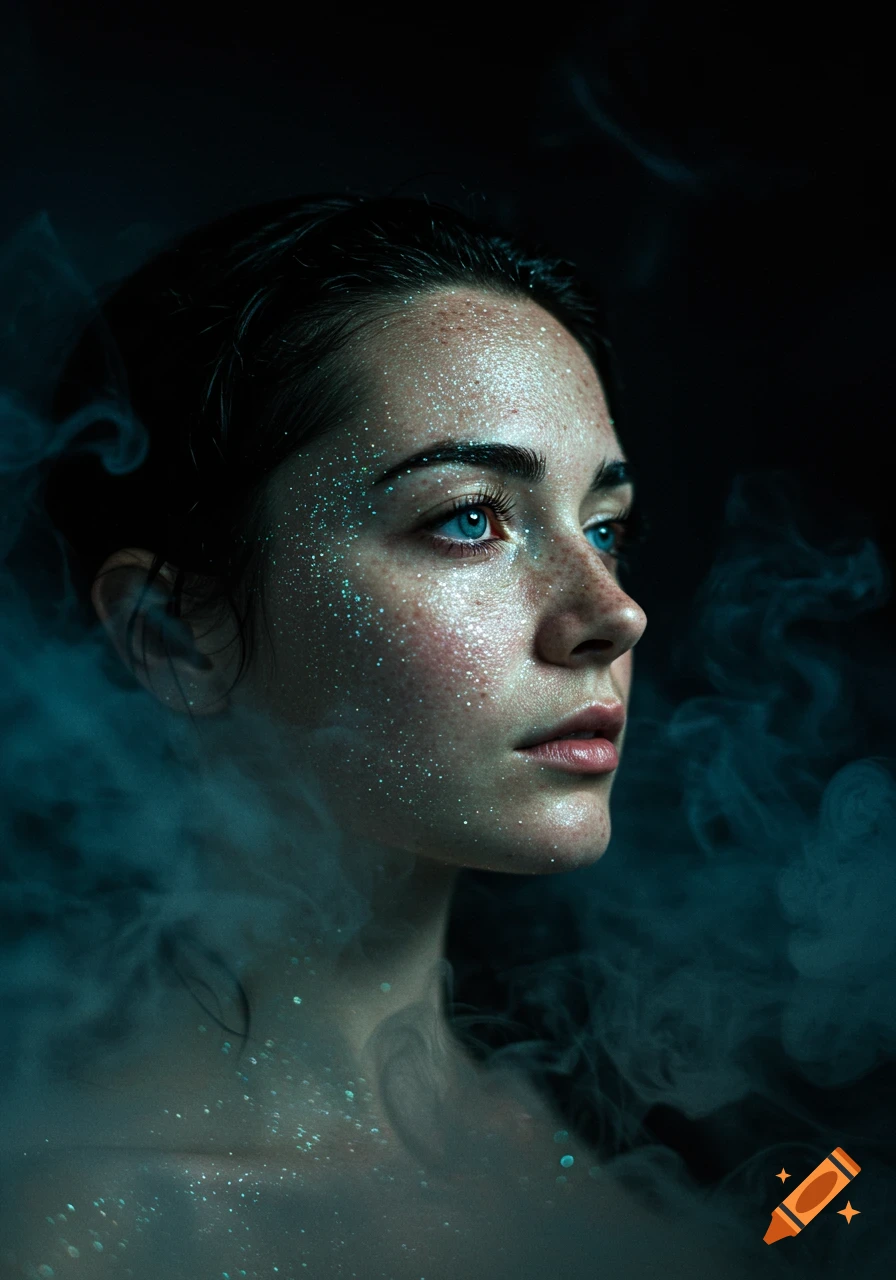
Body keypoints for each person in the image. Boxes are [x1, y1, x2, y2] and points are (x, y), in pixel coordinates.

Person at [0, 195, 749, 1278]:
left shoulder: (681, 1147)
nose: (612, 612)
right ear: (174, 639)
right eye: (468, 518)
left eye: (603, 527)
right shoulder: (77, 1234)